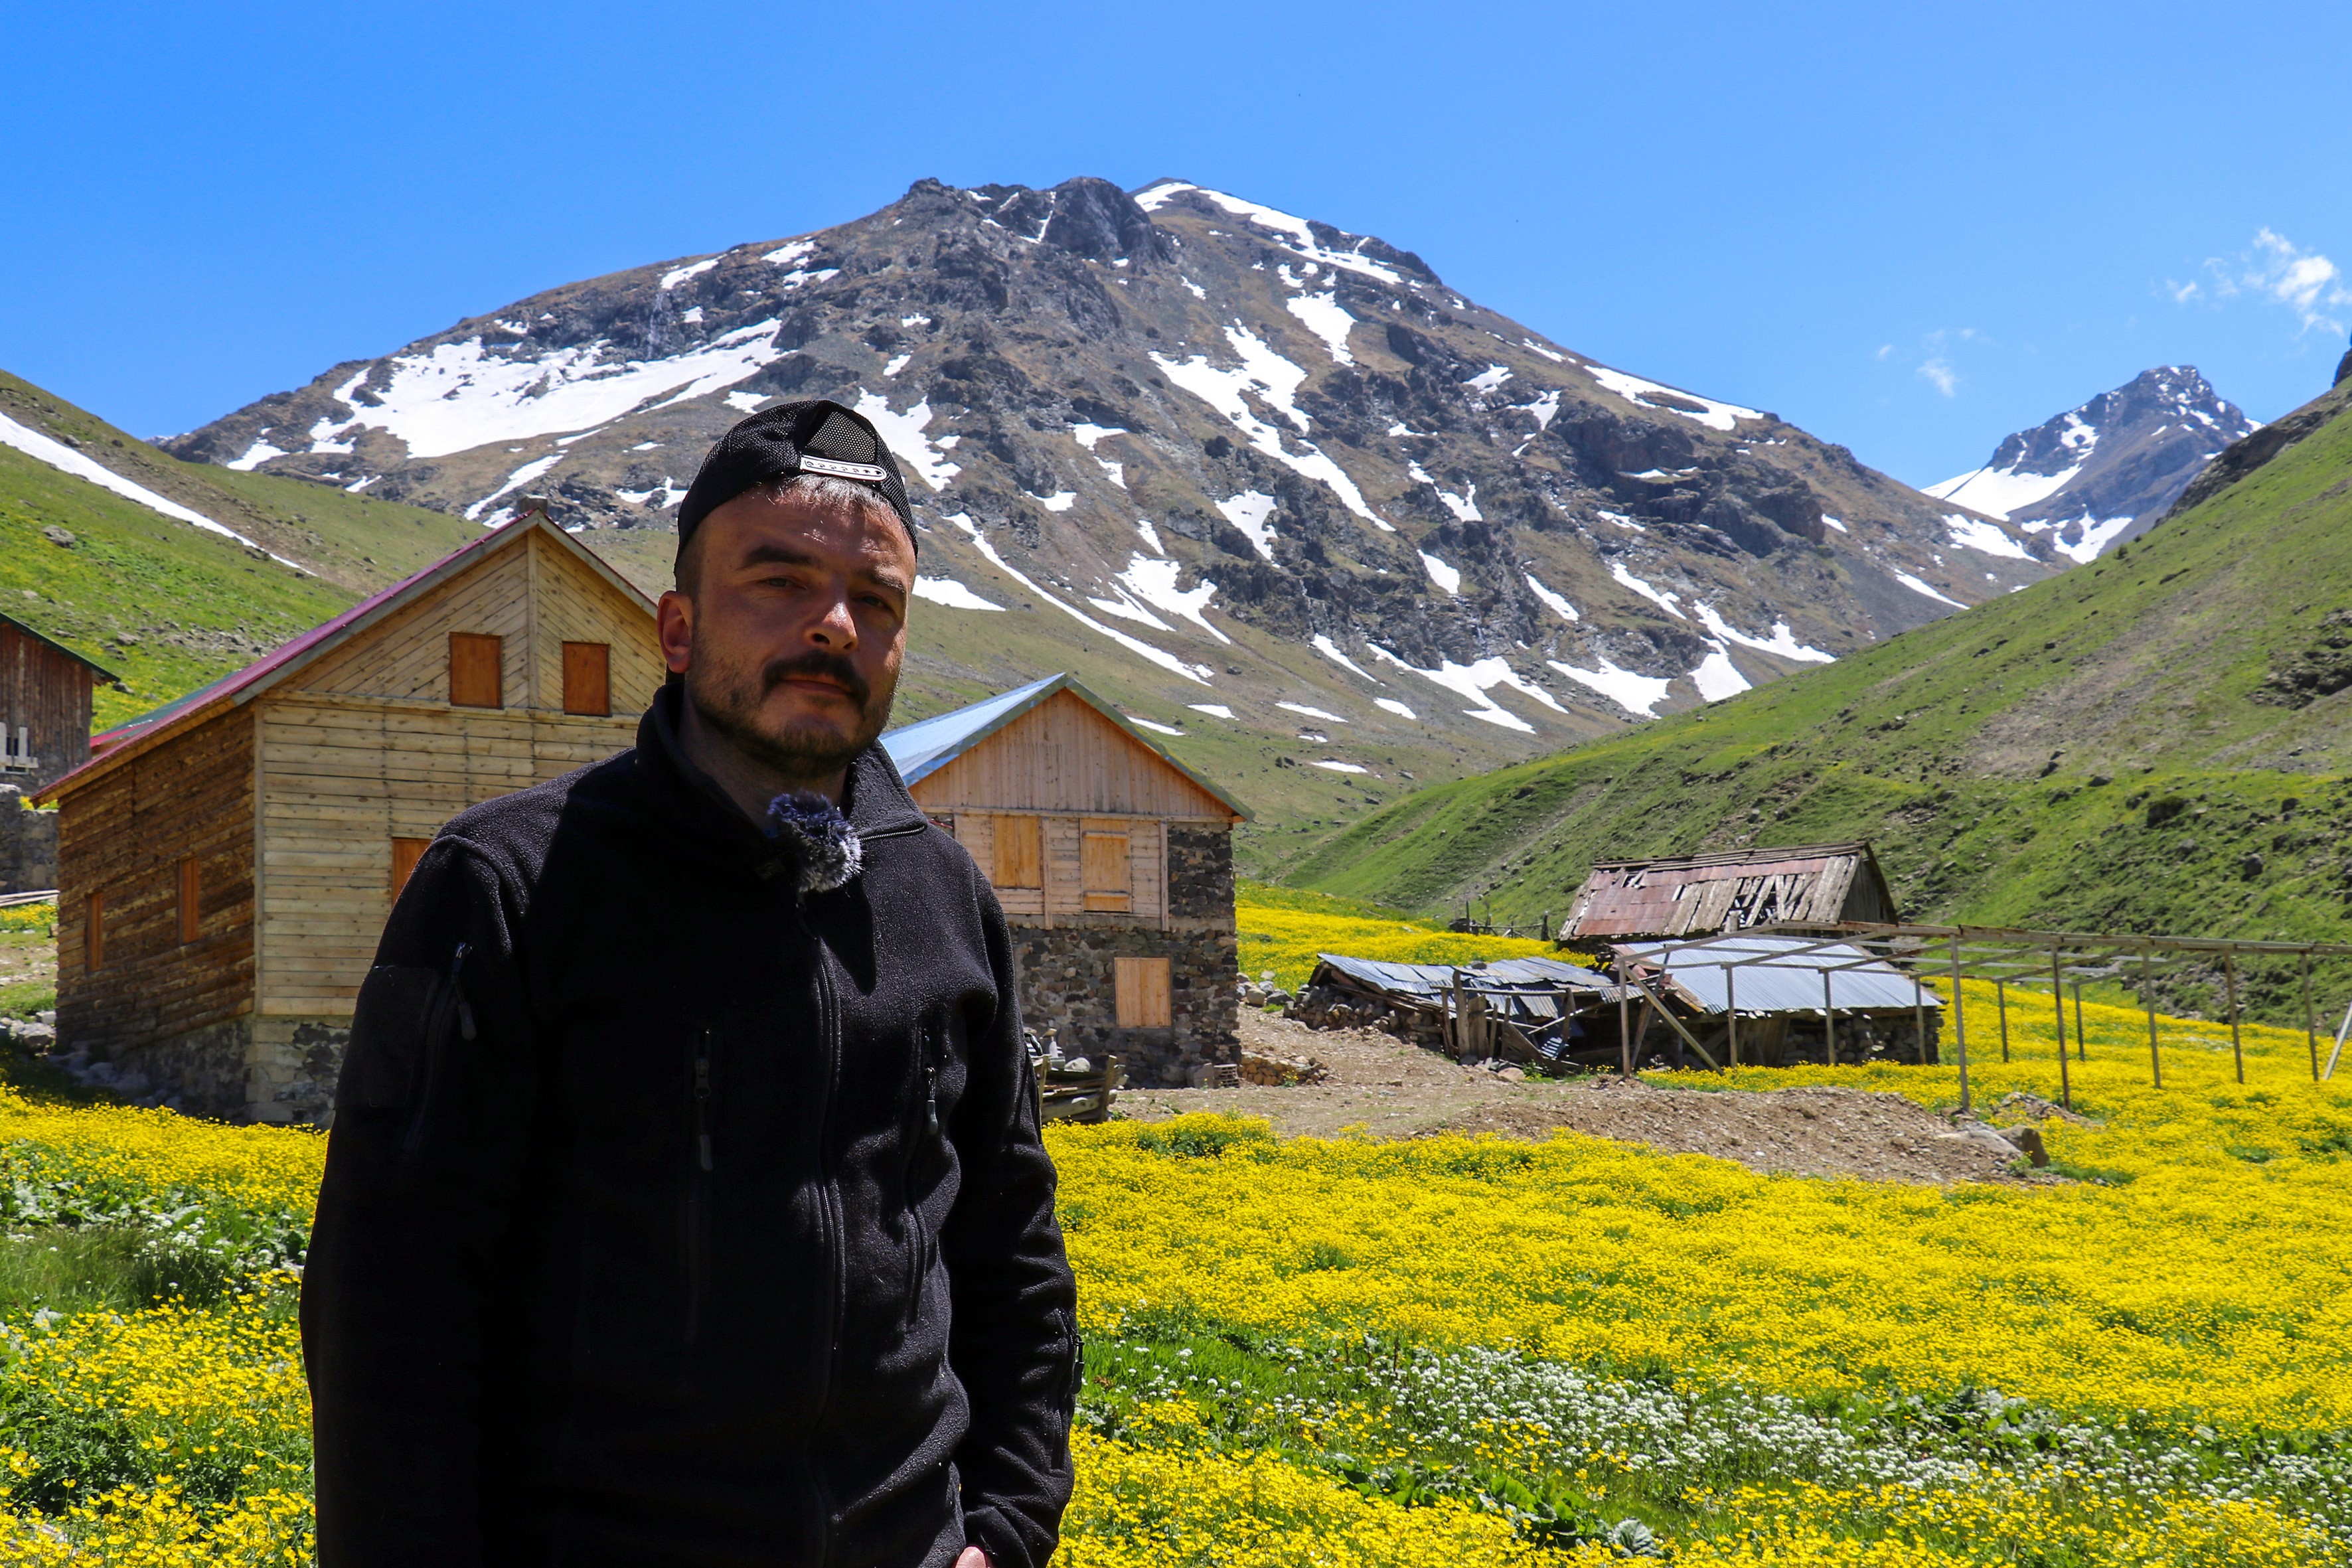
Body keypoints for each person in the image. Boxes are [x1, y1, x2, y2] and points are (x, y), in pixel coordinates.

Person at [302, 400, 1079, 1568]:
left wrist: (1008, 1531)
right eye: (780, 579)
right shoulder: (510, 886)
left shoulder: (946, 897)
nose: (833, 624)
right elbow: (389, 1308)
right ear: (676, 627)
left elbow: (1012, 1252)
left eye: (876, 601)